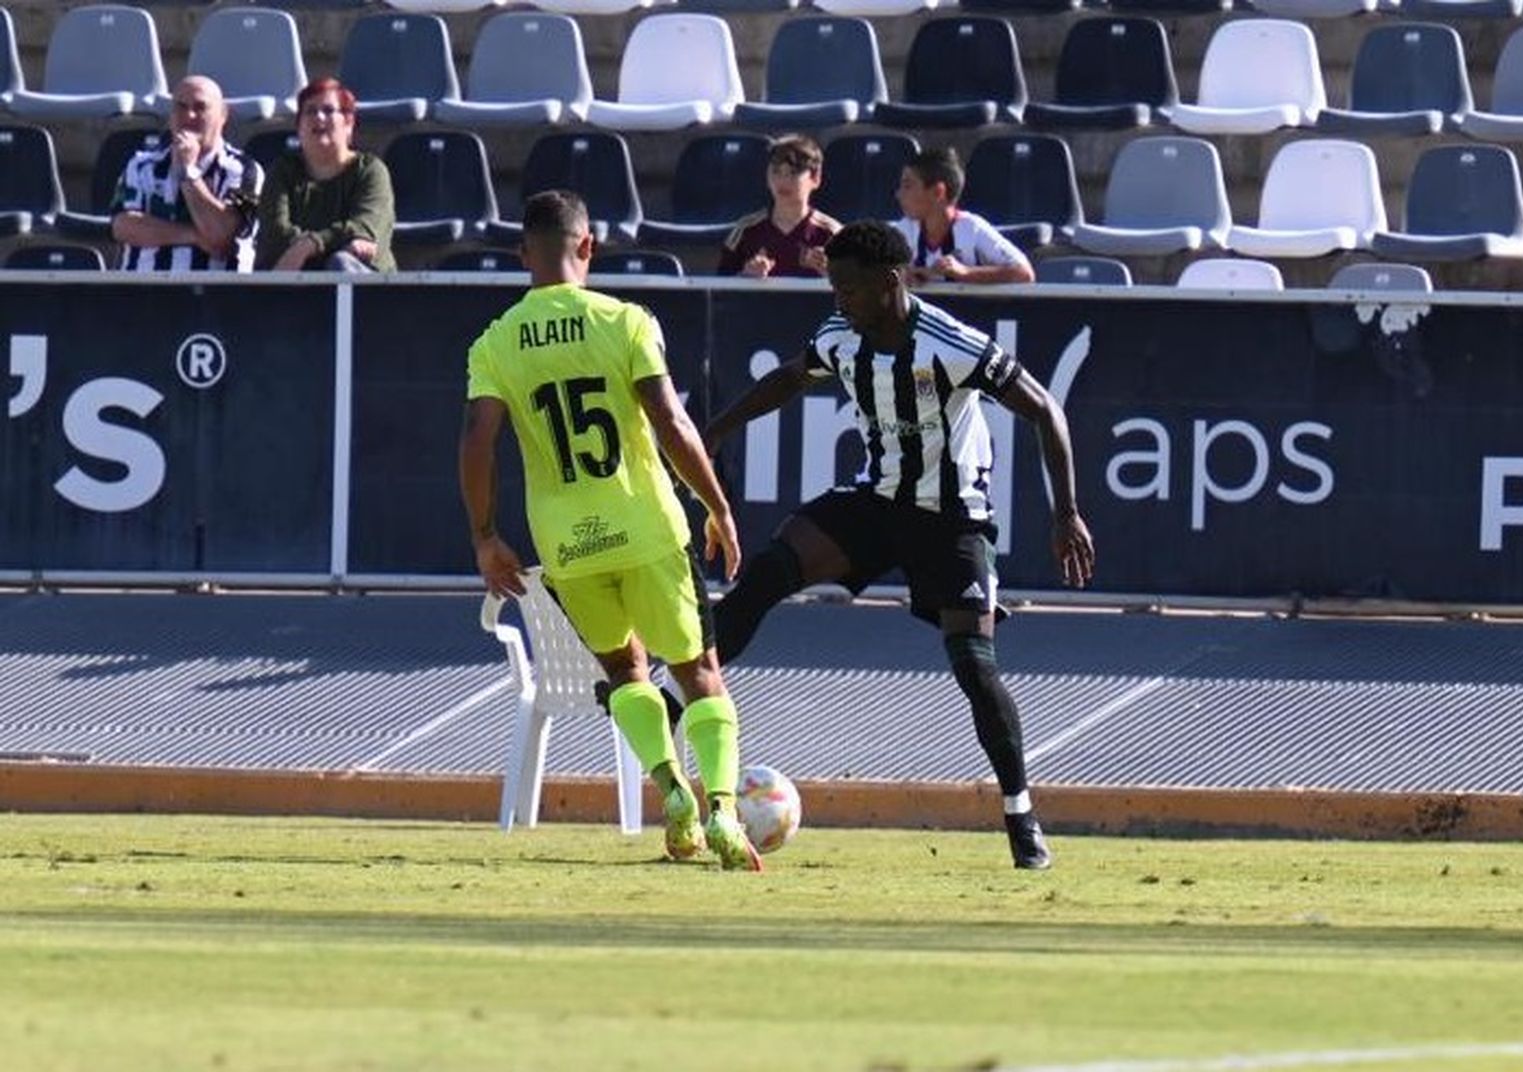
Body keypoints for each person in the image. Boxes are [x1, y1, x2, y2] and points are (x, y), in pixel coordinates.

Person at [703, 220, 1093, 869]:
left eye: (849, 289)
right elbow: (791, 378)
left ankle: (1021, 816)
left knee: (973, 664)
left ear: (889, 283)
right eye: (833, 288)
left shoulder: (950, 343)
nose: (838, 301)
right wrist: (714, 433)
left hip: (952, 519)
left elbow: (1045, 408)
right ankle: (678, 694)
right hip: (876, 501)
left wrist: (1066, 513)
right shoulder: (840, 336)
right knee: (768, 572)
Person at [459, 189, 762, 871]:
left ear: (522, 255)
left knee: (625, 670)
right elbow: (670, 421)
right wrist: (716, 504)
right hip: (648, 527)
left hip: (568, 543)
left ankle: (670, 793)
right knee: (699, 672)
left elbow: (478, 437)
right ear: (587, 246)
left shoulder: (496, 341)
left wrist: (485, 535)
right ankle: (718, 808)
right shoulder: (626, 320)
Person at [111, 75, 262, 272]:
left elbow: (221, 236)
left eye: (200, 107)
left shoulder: (245, 171)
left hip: (218, 297)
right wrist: (193, 235)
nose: (189, 115)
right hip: (145, 295)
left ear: (223, 115)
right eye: (181, 107)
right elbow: (122, 226)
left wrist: (188, 172)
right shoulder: (141, 166)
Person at [257, 78, 396, 272]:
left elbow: (365, 228)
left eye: (329, 110)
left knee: (342, 263)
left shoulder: (371, 171)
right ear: (298, 126)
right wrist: (334, 241)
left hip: (361, 291)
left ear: (348, 123)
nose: (319, 117)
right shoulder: (283, 171)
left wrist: (310, 245)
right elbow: (275, 234)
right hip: (293, 288)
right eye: (310, 111)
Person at [892, 147, 1035, 286]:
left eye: (907, 186)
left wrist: (965, 272)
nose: (899, 195)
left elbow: (1025, 273)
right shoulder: (905, 229)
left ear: (938, 192)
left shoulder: (972, 228)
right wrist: (900, 275)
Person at [717, 135, 840, 279]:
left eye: (793, 173)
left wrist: (831, 274)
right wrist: (745, 276)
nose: (783, 180)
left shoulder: (833, 234)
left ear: (815, 178)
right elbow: (718, 289)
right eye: (776, 171)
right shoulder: (746, 230)